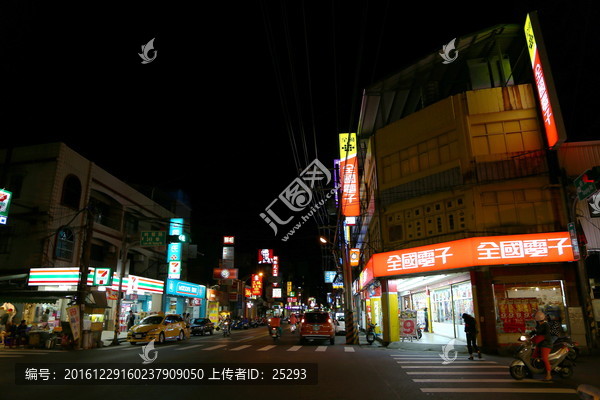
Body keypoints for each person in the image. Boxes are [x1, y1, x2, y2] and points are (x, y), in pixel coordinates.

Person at [531, 310, 553, 381]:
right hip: (540, 344)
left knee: (544, 358)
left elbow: (546, 335)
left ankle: (549, 374)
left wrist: (538, 338)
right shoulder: (538, 325)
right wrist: (528, 335)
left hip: (546, 344)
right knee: (533, 356)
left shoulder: (545, 325)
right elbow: (535, 332)